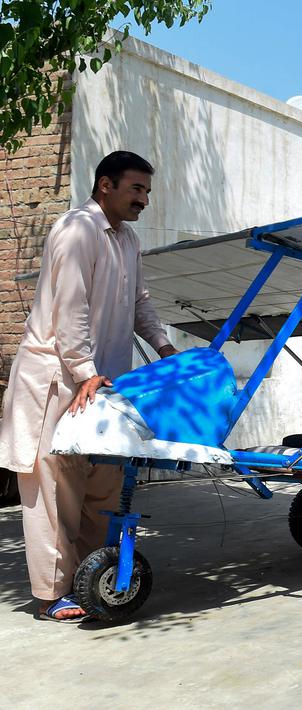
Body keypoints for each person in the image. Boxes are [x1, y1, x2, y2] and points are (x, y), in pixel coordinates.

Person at [0, 151, 177, 622]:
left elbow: (140, 301)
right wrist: (83, 370)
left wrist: (164, 347)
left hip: (103, 384)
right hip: (56, 378)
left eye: (146, 191)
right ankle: (51, 595)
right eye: (136, 189)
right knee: (54, 492)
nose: (144, 199)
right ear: (105, 185)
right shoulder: (76, 229)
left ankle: (88, 580)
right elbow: (69, 305)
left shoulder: (128, 240)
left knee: (104, 484)